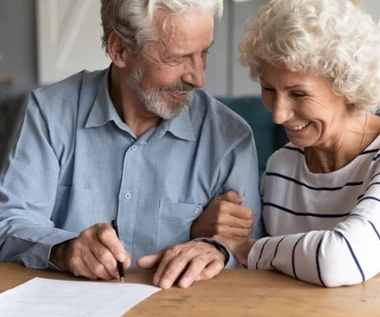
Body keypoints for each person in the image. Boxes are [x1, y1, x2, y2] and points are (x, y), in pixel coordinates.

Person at [0, 0, 262, 289]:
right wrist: (63, 249)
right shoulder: (49, 113)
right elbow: (9, 223)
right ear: (120, 50)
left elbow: (248, 253)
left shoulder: (231, 138)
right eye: (177, 58)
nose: (198, 77)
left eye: (204, 52)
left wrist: (217, 248)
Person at [213, 0, 380, 287]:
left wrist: (245, 249)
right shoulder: (282, 165)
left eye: (299, 94)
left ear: (348, 86)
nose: (278, 114)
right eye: (268, 89)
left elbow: (339, 260)